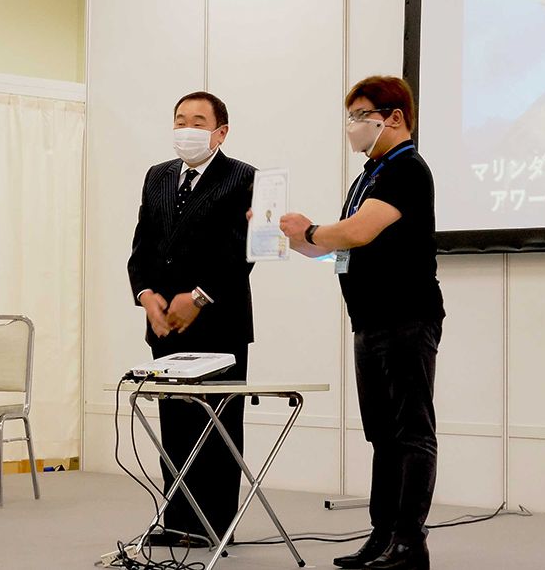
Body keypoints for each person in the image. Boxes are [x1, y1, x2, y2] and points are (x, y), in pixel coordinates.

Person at [280, 75, 444, 570]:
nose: (351, 126)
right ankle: (383, 534)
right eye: (349, 116)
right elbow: (339, 249)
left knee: (411, 431)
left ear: (393, 117)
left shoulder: (406, 169)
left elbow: (357, 231)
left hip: (406, 316)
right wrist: (287, 236)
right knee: (382, 435)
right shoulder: (369, 175)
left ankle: (409, 541)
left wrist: (311, 229)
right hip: (369, 319)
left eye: (360, 116)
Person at [127, 91, 256, 545]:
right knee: (176, 425)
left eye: (198, 121)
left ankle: (216, 525)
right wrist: (146, 296)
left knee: (217, 426)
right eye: (180, 120)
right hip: (165, 325)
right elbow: (142, 246)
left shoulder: (243, 177)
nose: (186, 129)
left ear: (220, 132)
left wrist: (198, 297)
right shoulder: (157, 176)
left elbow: (243, 252)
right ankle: (178, 520)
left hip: (219, 323)